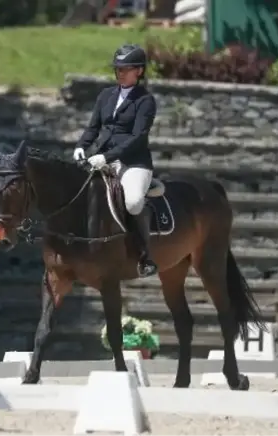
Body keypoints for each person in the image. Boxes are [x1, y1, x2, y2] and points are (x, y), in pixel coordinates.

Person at [72, 43, 158, 278]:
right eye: (117, 69)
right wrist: (81, 147)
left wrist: (106, 157)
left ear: (139, 71)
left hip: (133, 162)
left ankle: (144, 253)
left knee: (132, 202)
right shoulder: (106, 95)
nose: (119, 73)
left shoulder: (145, 101)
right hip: (101, 158)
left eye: (125, 68)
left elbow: (138, 137)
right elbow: (93, 128)